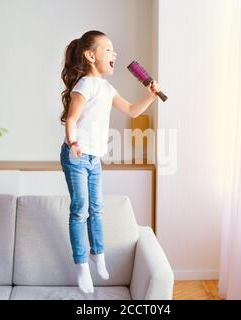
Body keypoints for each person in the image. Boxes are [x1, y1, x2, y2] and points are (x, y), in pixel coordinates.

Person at [59, 30, 161, 293]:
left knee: (97, 208)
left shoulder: (107, 88)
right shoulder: (85, 86)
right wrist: (73, 142)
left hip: (95, 159)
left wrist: (150, 95)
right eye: (108, 49)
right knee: (80, 209)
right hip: (77, 156)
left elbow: (131, 110)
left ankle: (98, 254)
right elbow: (71, 119)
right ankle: (81, 264)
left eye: (114, 50)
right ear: (91, 55)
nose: (114, 53)